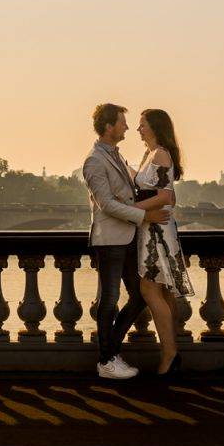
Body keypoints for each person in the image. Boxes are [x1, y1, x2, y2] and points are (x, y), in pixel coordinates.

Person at [83, 103, 170, 380]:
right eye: (122, 123)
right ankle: (107, 360)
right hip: (109, 239)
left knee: (138, 295)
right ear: (108, 127)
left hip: (127, 237)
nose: (127, 127)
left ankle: (110, 353)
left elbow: (128, 192)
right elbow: (106, 204)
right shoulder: (94, 160)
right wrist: (145, 217)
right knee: (109, 301)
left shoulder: (116, 156)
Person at [132, 108, 195, 376]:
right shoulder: (151, 154)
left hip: (156, 228)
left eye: (142, 124)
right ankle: (172, 353)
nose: (138, 129)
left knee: (149, 289)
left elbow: (166, 196)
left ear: (155, 127)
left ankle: (169, 354)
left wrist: (130, 208)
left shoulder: (160, 154)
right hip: (154, 225)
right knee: (164, 291)